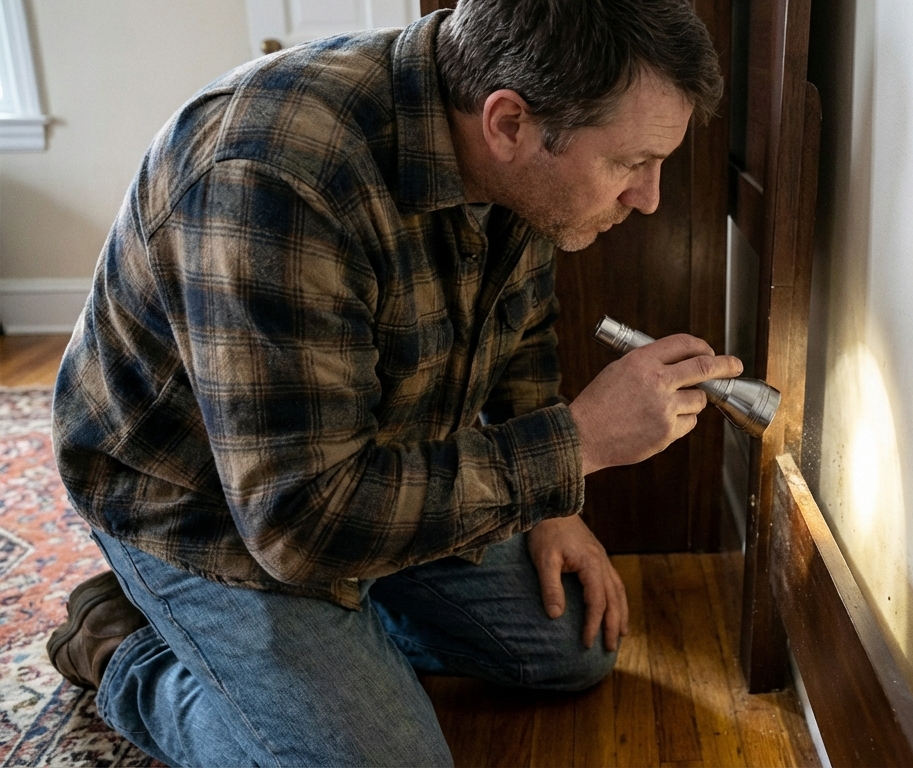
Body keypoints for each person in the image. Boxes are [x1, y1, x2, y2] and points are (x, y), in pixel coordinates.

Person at [44, 1, 730, 764]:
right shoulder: (274, 173)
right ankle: (123, 648)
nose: (649, 197)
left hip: (377, 460)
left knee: (570, 647)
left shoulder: (514, 158)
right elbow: (301, 526)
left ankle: (314, 646)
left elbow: (524, 326)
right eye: (631, 163)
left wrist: (555, 509)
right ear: (507, 123)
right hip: (204, 503)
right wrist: (577, 447)